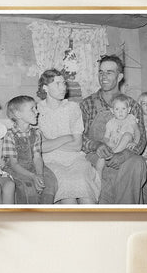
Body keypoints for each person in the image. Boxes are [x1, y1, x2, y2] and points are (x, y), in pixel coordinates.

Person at [80, 55, 147, 204]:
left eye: (109, 72)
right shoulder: (87, 104)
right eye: (100, 72)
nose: (103, 76)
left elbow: (141, 139)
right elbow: (79, 138)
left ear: (120, 76)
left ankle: (125, 217)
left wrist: (124, 153)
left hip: (124, 154)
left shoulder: (132, 105)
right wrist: (96, 145)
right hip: (97, 156)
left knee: (137, 163)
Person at [37, 69, 101, 204]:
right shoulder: (37, 110)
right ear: (45, 88)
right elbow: (40, 147)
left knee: (83, 183)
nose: (63, 88)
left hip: (75, 159)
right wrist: (66, 137)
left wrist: (51, 142)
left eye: (64, 83)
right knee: (67, 192)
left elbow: (77, 145)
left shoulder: (73, 108)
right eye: (57, 84)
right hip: (51, 162)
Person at [2, 95, 57, 204]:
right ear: (18, 114)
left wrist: (39, 175)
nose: (37, 112)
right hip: (17, 169)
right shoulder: (10, 135)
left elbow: (37, 157)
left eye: (35, 108)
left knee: (50, 181)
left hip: (33, 166)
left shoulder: (36, 133)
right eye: (32, 109)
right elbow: (13, 164)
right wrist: (33, 176)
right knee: (28, 187)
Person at [95, 94, 140, 178]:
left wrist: (135, 142)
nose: (120, 112)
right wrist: (108, 144)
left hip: (125, 147)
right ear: (112, 111)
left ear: (129, 109)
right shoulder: (110, 123)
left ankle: (112, 155)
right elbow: (106, 137)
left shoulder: (130, 118)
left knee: (127, 135)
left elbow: (137, 131)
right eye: (117, 109)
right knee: (101, 156)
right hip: (113, 146)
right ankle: (98, 178)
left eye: (123, 109)